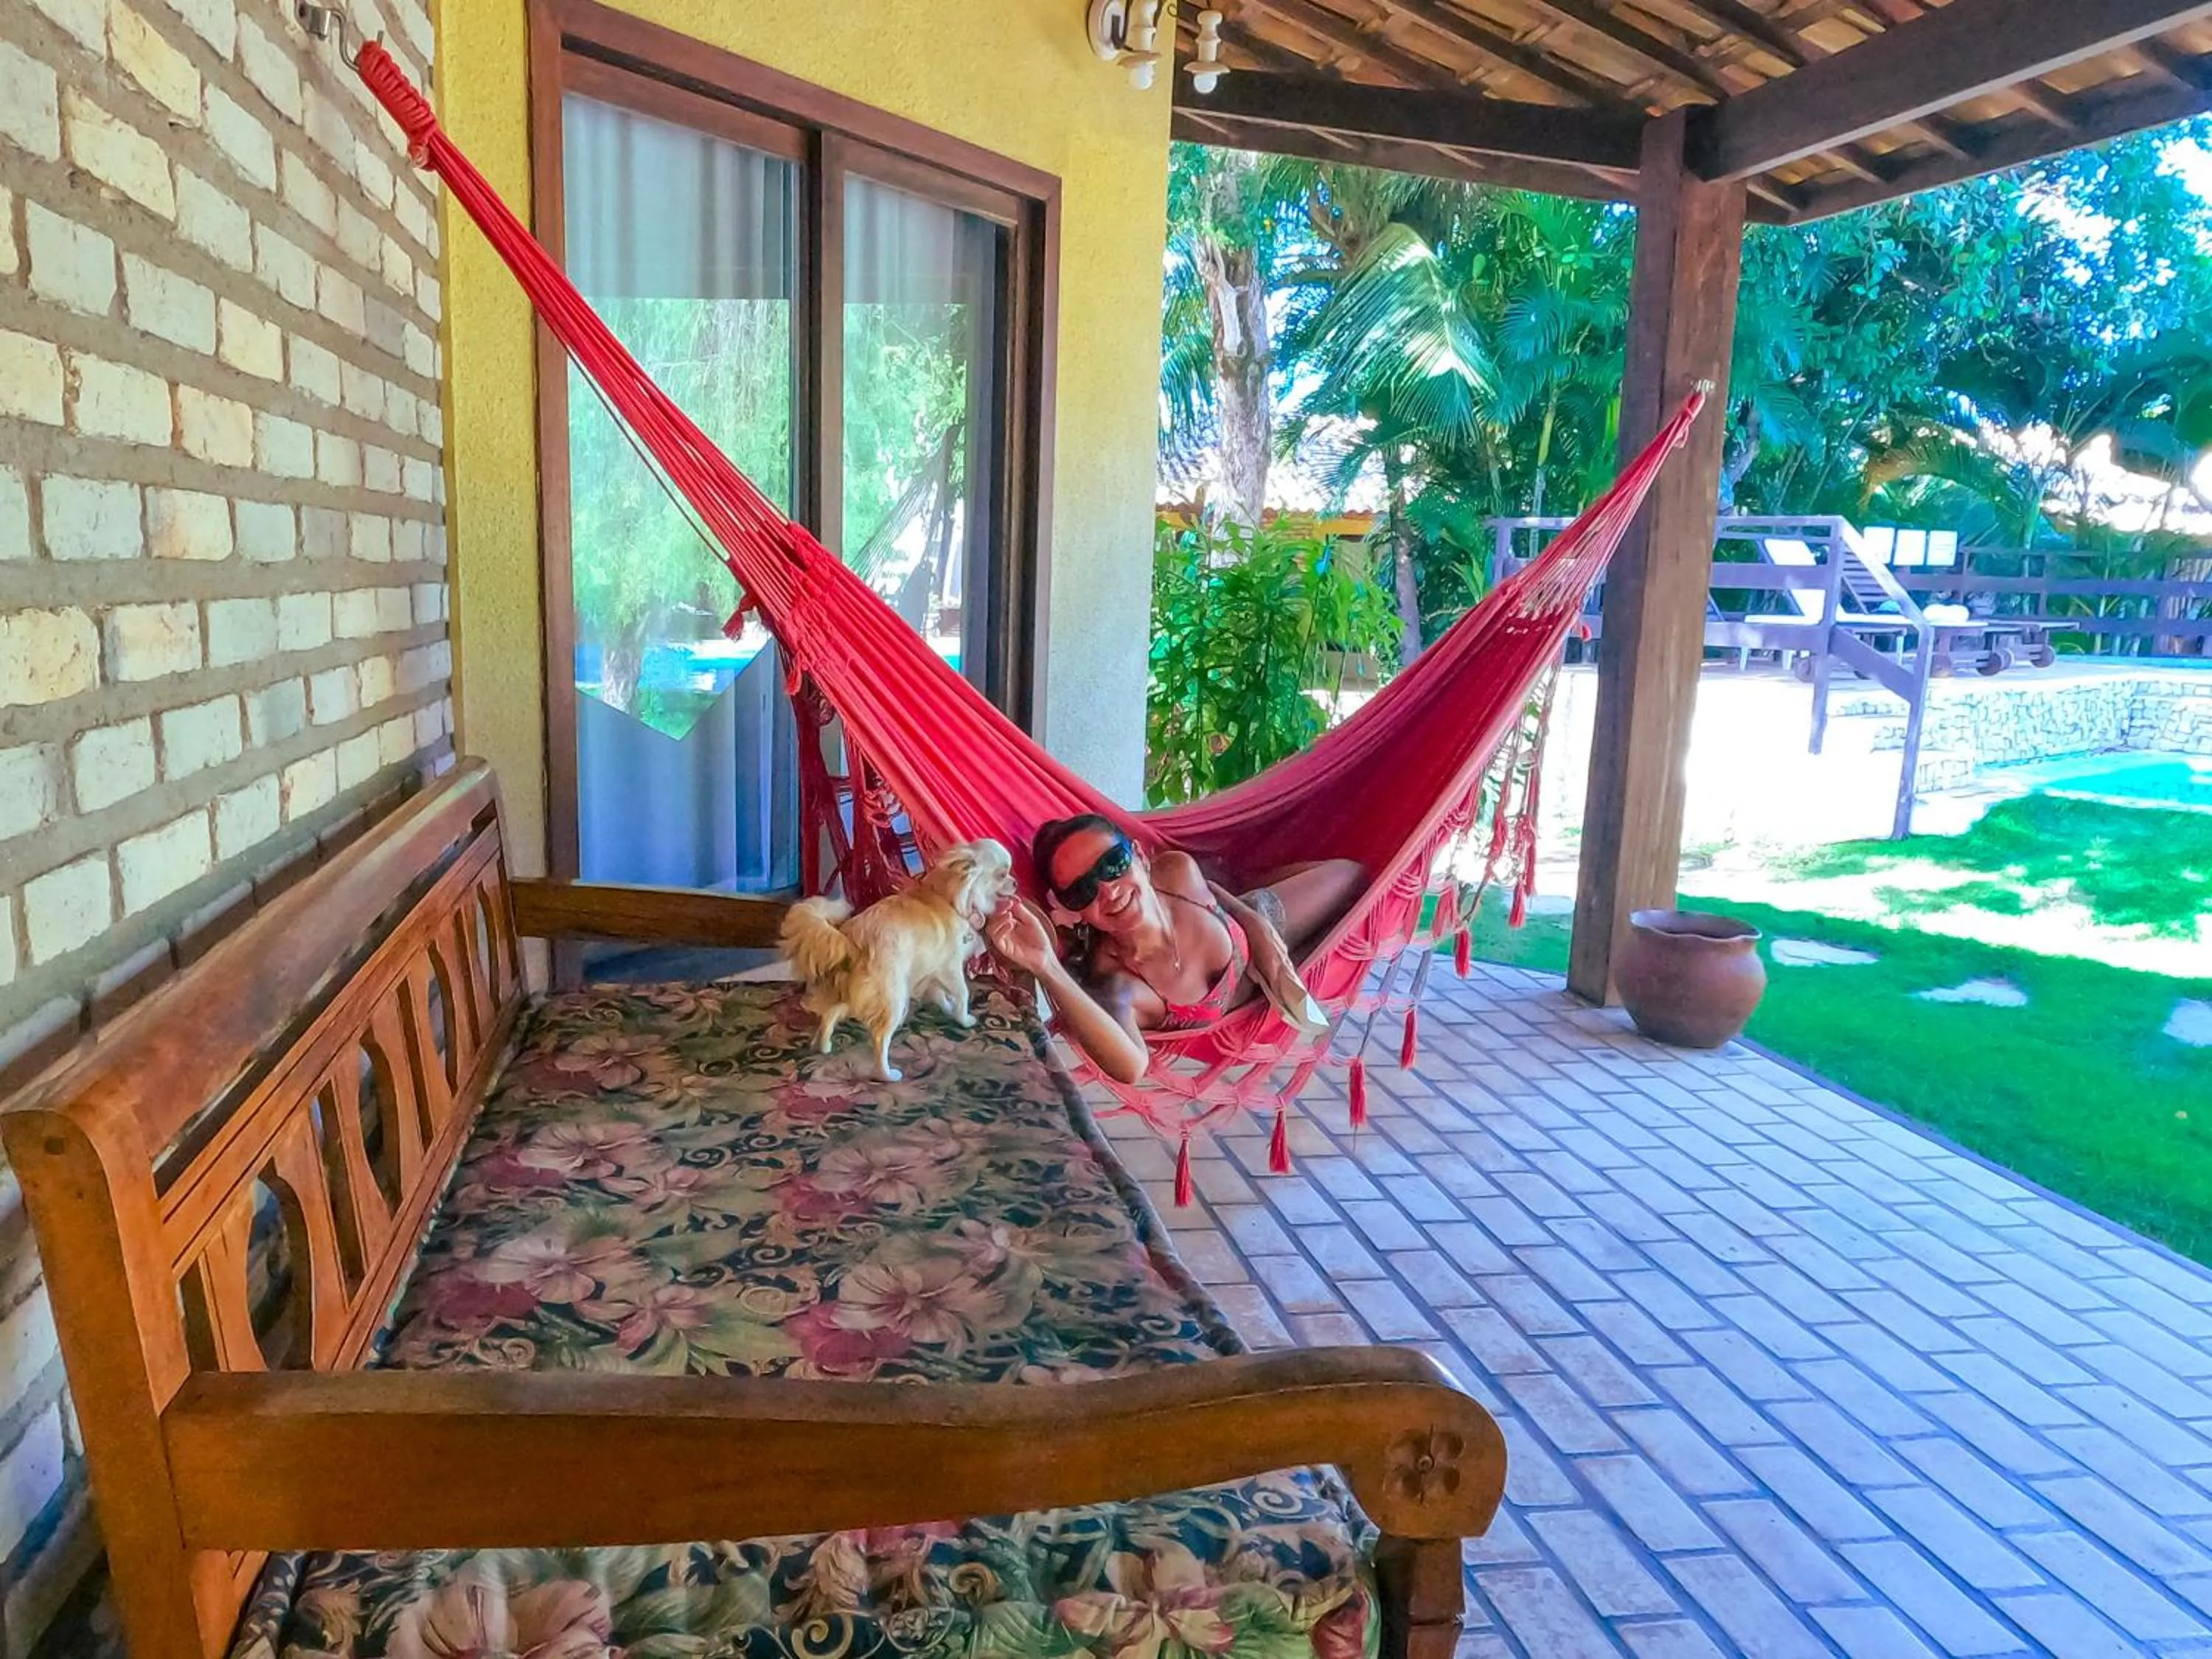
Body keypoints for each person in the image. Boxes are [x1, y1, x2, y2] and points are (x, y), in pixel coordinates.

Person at [983, 814, 1363, 1084]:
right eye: (1083, 890)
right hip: (1247, 989)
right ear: (1073, 909)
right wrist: (1047, 967)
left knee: (1352, 874)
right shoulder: (1120, 984)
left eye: (1113, 864)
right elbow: (1132, 1068)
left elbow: (1215, 893)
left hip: (1259, 924)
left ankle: (1280, 950)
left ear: (1140, 856)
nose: (1109, 890)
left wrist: (1257, 928)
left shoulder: (1175, 871)